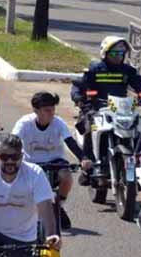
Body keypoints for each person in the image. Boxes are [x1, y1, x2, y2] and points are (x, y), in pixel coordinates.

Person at [70, 35, 141, 185]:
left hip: (122, 109)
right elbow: (79, 86)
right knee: (89, 127)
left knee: (140, 129)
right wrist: (80, 98)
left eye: (121, 54)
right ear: (105, 53)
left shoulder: (128, 70)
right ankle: (88, 165)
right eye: (114, 53)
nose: (118, 57)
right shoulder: (95, 69)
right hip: (96, 108)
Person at [12, 92, 92, 230]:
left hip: (55, 161)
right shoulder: (24, 123)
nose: (51, 113)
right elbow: (13, 142)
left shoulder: (58, 123)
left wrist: (83, 158)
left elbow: (70, 142)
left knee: (66, 176)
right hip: (31, 163)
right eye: (47, 110)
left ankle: (58, 206)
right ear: (36, 110)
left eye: (53, 109)